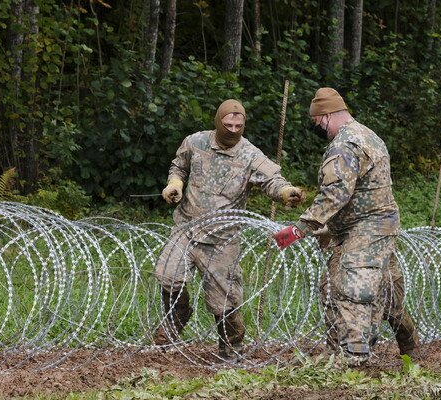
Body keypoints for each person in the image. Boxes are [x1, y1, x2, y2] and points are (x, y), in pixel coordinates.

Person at [274, 88, 419, 365]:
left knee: (353, 290)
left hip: (367, 229)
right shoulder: (367, 134)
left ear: (326, 116)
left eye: (317, 122)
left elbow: (336, 192)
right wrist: (332, 228)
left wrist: (302, 227)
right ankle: (407, 345)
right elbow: (364, 190)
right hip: (370, 225)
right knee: (376, 289)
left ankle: (354, 359)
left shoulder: (345, 144)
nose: (317, 128)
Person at [153, 99, 306, 361]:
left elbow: (272, 180)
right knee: (167, 276)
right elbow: (179, 166)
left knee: (223, 301)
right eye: (228, 124)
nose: (233, 129)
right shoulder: (195, 142)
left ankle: (231, 348)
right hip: (186, 227)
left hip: (222, 239)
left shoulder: (249, 154)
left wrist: (285, 192)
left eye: (239, 124)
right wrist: (175, 184)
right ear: (218, 121)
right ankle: (176, 318)